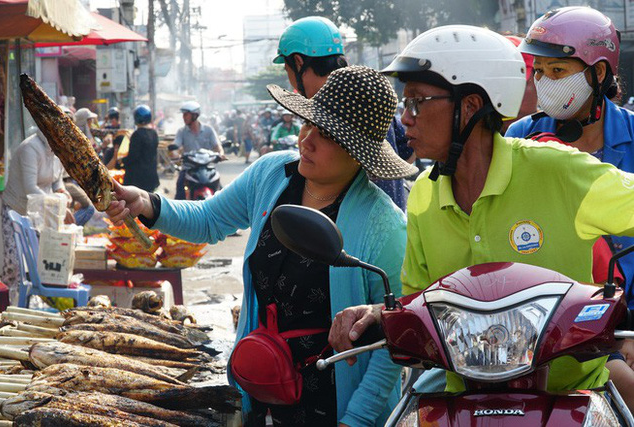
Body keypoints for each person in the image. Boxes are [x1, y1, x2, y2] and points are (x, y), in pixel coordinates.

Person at [327, 25, 634, 408]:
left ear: (470, 106)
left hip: (575, 402)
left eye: (418, 101)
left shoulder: (558, 171)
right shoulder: (423, 192)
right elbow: (417, 300)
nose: (405, 118)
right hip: (465, 403)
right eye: (406, 104)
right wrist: (377, 312)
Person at [106, 66, 417, 427]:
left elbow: (391, 345)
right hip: (263, 393)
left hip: (337, 406)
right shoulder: (272, 174)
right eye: (306, 124)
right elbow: (209, 219)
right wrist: (145, 202)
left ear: (358, 151)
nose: (306, 140)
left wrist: (356, 421)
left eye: (326, 134)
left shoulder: (385, 225)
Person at [506, 7, 634, 296]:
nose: (545, 81)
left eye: (558, 70)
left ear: (598, 72)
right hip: (551, 311)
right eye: (539, 70)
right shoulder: (521, 137)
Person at [274, 15, 415, 210]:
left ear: (298, 63)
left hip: (361, 226)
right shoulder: (367, 95)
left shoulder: (350, 101)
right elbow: (409, 147)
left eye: (286, 69)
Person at [0, 106, 75, 304]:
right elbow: (30, 188)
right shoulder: (30, 149)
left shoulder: (57, 151)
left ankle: (36, 300)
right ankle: (10, 305)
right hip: (16, 209)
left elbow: (56, 180)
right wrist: (60, 207)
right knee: (14, 264)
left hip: (41, 212)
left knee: (40, 261)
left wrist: (62, 192)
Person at [174, 101, 224, 199]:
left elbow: (217, 146)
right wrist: (175, 153)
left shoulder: (208, 130)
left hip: (207, 168)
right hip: (189, 168)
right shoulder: (181, 132)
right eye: (183, 115)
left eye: (186, 115)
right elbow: (176, 145)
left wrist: (221, 154)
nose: (184, 117)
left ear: (195, 115)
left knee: (222, 194)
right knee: (179, 191)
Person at [121, 105, 159, 193]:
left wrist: (122, 161)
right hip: (151, 177)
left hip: (137, 180)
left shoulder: (137, 135)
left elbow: (133, 157)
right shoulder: (154, 133)